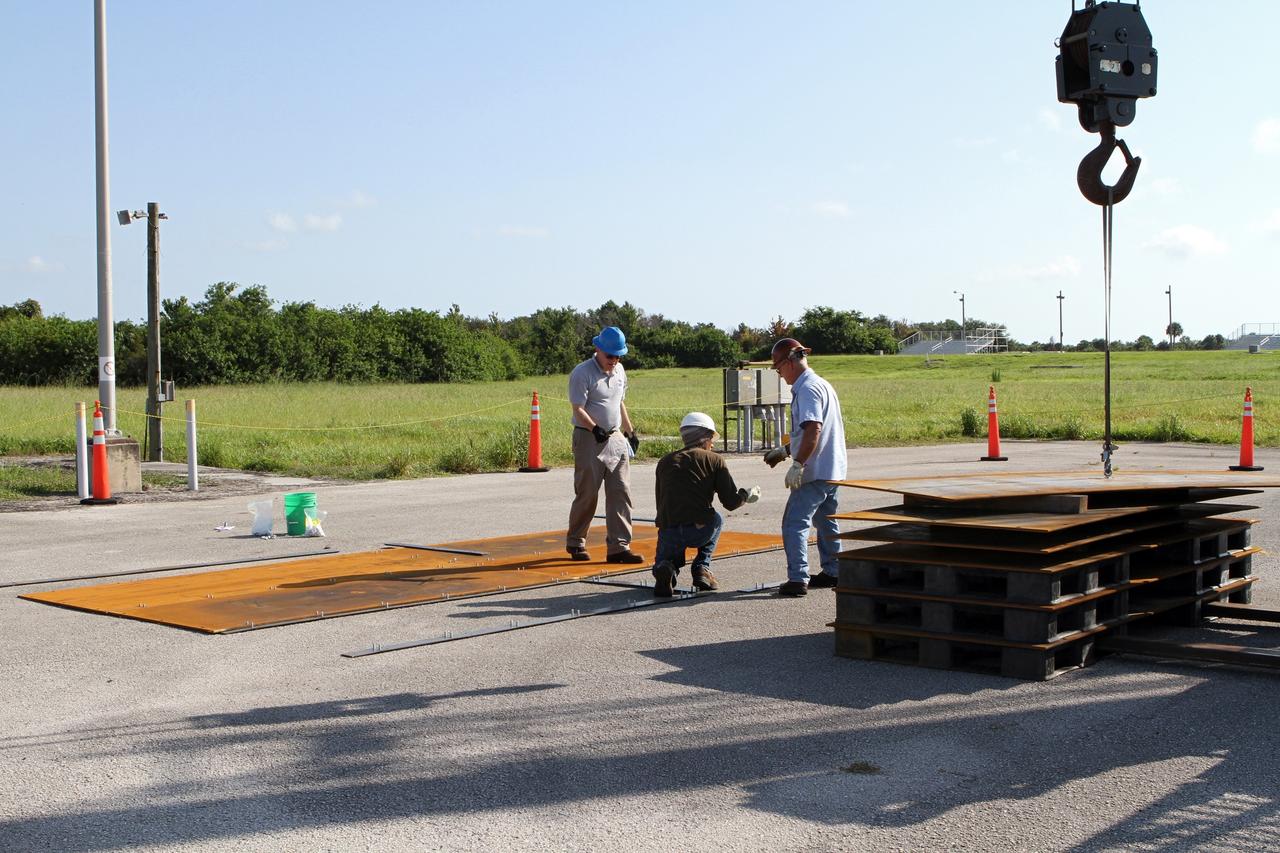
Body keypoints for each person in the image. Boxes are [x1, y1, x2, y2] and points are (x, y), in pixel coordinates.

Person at [765, 337, 846, 597]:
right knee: (826, 521)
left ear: (790, 362)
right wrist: (786, 451)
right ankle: (835, 571)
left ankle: (798, 578)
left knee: (794, 523)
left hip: (813, 471)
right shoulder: (821, 384)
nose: (779, 374)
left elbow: (814, 428)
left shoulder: (808, 389)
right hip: (831, 469)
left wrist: (798, 463)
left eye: (778, 368)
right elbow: (811, 432)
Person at [652, 412, 761, 597]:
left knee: (667, 550)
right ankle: (702, 568)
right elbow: (730, 503)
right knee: (716, 518)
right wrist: (746, 495)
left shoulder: (664, 462)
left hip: (668, 529)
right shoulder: (714, 460)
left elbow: (660, 502)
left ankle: (666, 567)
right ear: (703, 438)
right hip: (699, 529)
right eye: (711, 438)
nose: (712, 443)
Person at [565, 326, 644, 563]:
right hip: (589, 438)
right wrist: (594, 428)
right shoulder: (582, 373)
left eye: (618, 355)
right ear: (597, 350)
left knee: (620, 490)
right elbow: (578, 408)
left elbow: (619, 403)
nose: (615, 360)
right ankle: (576, 542)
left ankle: (619, 546)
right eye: (610, 355)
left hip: (615, 436)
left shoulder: (619, 371)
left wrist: (630, 431)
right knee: (588, 491)